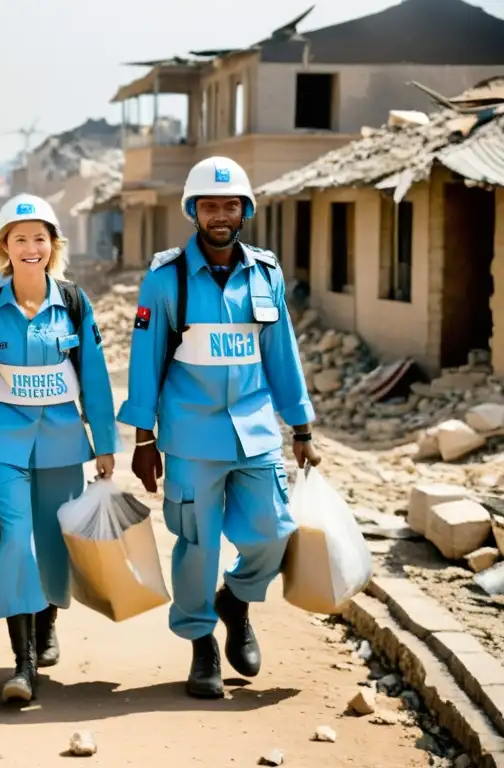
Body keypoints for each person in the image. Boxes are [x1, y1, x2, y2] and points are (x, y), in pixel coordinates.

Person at [116, 157, 322, 700]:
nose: (221, 215)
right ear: (194, 211)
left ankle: (236, 599)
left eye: (231, 205)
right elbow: (146, 362)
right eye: (210, 205)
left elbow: (281, 355)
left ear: (246, 210)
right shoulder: (166, 279)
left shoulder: (267, 274)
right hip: (189, 437)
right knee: (196, 546)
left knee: (274, 532)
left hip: (255, 432)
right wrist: (143, 439)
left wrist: (300, 427)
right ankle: (201, 643)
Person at [0, 194, 119, 704]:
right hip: (3, 440)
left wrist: (106, 443)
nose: (31, 247)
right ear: (4, 247)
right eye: (20, 239)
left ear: (52, 245)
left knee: (51, 541)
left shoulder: (72, 301)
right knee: (17, 539)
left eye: (39, 238)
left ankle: (47, 621)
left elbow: (93, 375)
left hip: (64, 441)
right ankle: (22, 664)